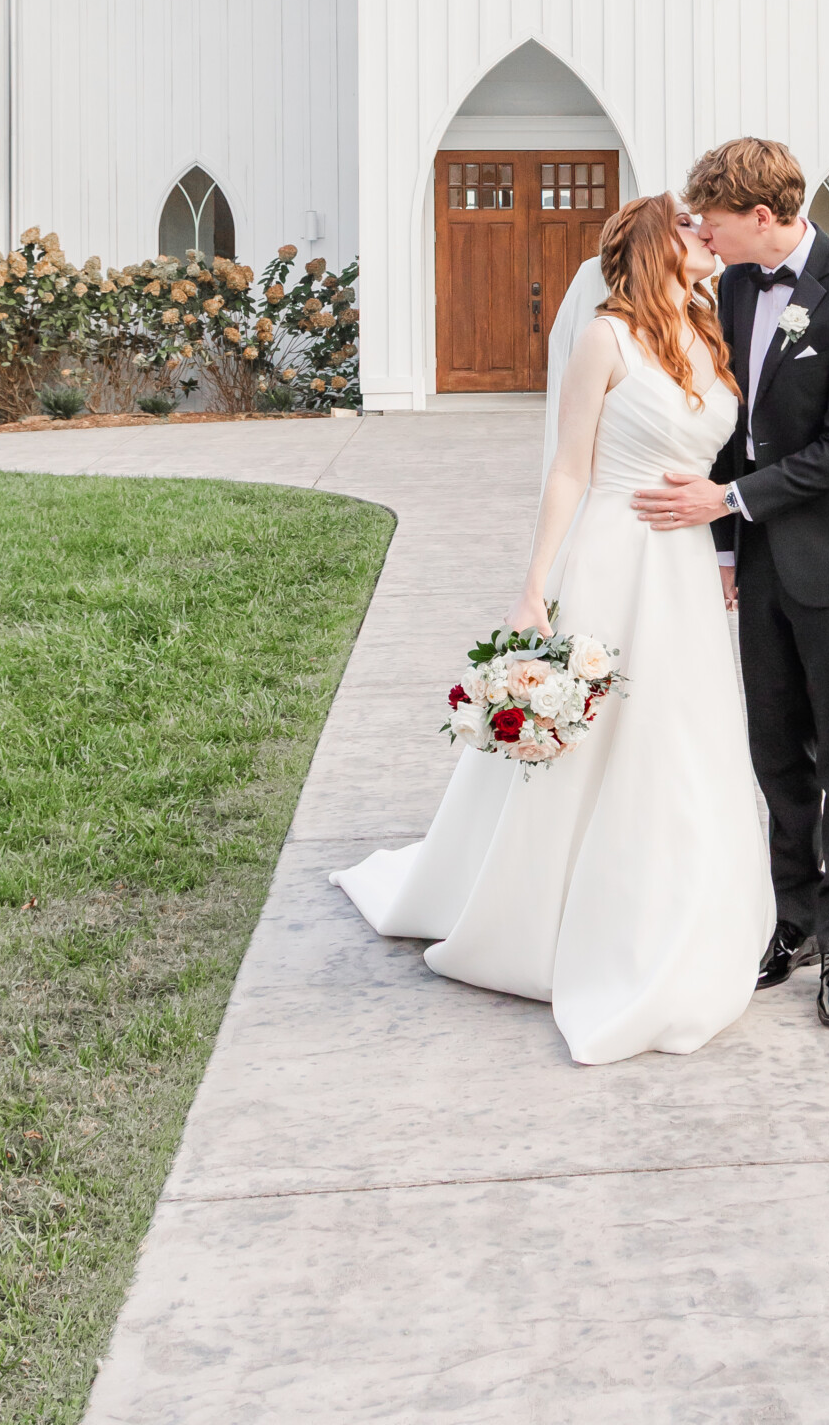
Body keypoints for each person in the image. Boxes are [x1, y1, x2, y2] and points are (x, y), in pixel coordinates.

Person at [330, 194, 774, 1066]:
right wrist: (532, 586)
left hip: (680, 564)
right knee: (599, 737)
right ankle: (540, 915)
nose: (704, 236)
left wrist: (722, 546)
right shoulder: (605, 336)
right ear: (653, 245)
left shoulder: (706, 327)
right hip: (611, 551)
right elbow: (570, 466)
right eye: (689, 227)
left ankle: (682, 903)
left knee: (681, 733)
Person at [630, 138, 829, 1030]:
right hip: (754, 557)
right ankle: (787, 921)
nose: (700, 232)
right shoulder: (736, 284)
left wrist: (733, 499)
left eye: (711, 218)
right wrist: (719, 544)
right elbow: (728, 430)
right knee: (774, 749)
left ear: (760, 217)